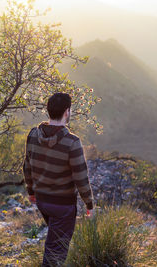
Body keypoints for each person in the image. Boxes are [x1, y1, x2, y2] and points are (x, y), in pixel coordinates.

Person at [23, 92, 94, 267]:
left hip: (42, 201)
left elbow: (27, 166)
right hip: (63, 206)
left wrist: (31, 191)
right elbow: (81, 177)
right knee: (56, 253)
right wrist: (89, 203)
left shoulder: (33, 134)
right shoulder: (72, 142)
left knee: (55, 243)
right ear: (67, 112)